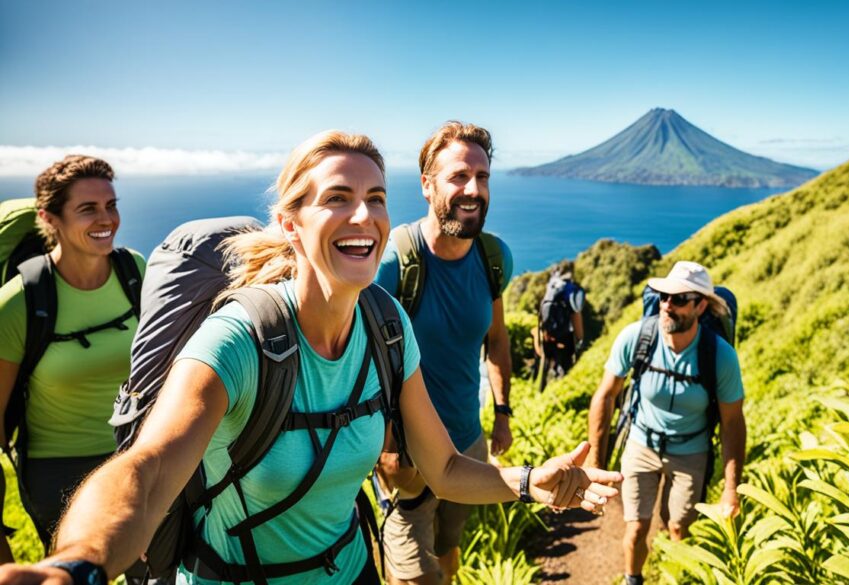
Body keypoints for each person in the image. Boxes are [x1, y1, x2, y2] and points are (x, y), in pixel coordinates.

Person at [0, 131, 620, 585]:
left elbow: (446, 468)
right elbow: (150, 469)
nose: (364, 216)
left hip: (352, 572)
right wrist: (75, 564)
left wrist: (531, 483)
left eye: (376, 198)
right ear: (290, 223)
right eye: (338, 198)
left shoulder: (386, 324)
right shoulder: (239, 337)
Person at [373, 121, 515, 585]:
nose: (473, 189)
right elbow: (362, 359)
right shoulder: (392, 265)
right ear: (426, 184)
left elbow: (496, 340)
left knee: (450, 549)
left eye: (483, 176)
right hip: (408, 456)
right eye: (458, 176)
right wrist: (388, 447)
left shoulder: (494, 258)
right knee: (413, 576)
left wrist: (502, 413)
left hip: (468, 442)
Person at [0, 156, 145, 558]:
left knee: (154, 572)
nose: (106, 219)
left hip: (134, 455)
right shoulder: (20, 303)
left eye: (111, 205)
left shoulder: (134, 271)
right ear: (50, 219)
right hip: (56, 472)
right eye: (88, 209)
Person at [585, 261, 746, 585]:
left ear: (701, 306)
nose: (667, 305)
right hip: (641, 444)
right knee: (635, 527)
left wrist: (732, 490)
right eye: (662, 296)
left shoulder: (720, 356)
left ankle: (673, 575)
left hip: (692, 451)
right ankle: (633, 579)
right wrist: (595, 465)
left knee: (677, 528)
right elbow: (604, 397)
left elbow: (732, 424)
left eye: (679, 298)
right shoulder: (637, 337)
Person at [533, 264, 585, 389]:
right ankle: (561, 394)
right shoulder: (570, 290)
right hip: (564, 339)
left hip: (547, 336)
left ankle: (540, 391)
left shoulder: (551, 287)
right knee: (563, 372)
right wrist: (580, 341)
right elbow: (576, 317)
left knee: (546, 367)